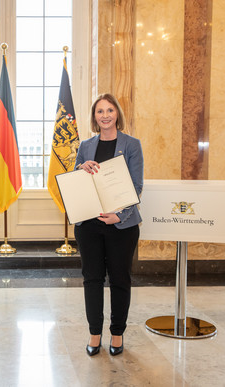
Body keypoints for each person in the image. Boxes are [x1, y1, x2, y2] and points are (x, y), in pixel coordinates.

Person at [73, 93, 143, 357]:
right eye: (100, 111)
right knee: (91, 279)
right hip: (89, 224)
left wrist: (120, 216)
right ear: (94, 117)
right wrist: (81, 168)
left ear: (117, 114)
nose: (105, 115)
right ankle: (94, 334)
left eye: (109, 110)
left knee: (120, 279)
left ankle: (117, 334)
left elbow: (136, 186)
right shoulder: (86, 145)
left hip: (120, 226)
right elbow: (78, 182)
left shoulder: (132, 145)